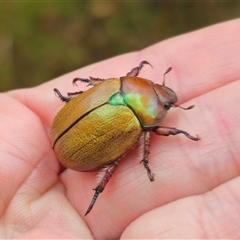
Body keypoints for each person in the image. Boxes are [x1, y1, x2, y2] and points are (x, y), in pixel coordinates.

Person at [1, 19, 239, 239]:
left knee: (109, 130)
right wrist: (174, 136)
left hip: (68, 138)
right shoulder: (139, 120)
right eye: (163, 100)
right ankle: (97, 190)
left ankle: (70, 103)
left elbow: (108, 86)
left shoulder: (116, 87)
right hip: (70, 142)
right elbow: (151, 135)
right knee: (112, 163)